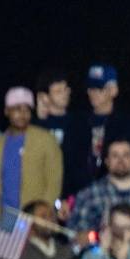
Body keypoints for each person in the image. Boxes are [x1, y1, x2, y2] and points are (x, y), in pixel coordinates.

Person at [0, 87, 63, 236]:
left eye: (26, 110)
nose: (22, 114)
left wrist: (42, 217)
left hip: (36, 220)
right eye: (17, 109)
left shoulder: (46, 140)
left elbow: (54, 181)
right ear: (7, 111)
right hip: (6, 218)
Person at [34, 68, 93, 198]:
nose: (65, 94)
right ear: (44, 96)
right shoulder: (34, 126)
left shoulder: (80, 124)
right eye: (58, 91)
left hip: (71, 197)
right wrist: (40, 120)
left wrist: (71, 199)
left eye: (66, 89)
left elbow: (81, 167)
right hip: (39, 196)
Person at [83, 63, 130, 176]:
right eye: (90, 87)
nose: (93, 92)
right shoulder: (78, 123)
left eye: (100, 88)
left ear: (114, 90)